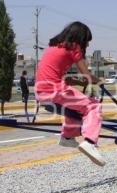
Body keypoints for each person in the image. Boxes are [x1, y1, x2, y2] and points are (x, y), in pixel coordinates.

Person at [35, 21, 105, 166]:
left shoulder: (55, 46)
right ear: (80, 38)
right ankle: (90, 142)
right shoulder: (74, 46)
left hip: (42, 92)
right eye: (87, 41)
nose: (88, 45)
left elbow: (66, 78)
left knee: (75, 107)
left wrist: (81, 83)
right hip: (54, 90)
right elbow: (86, 74)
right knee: (93, 106)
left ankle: (67, 137)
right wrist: (99, 80)